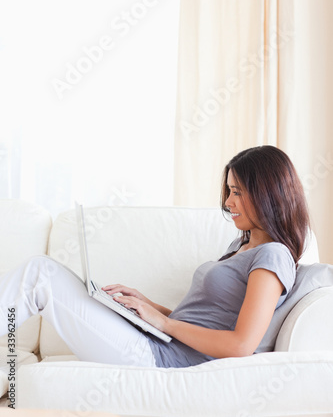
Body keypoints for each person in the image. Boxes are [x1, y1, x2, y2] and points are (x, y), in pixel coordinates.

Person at [0, 145, 310, 368]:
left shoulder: (273, 256)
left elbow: (241, 345)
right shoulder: (240, 247)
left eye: (237, 192)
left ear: (268, 194)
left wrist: (162, 323)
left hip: (160, 358)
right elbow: (207, 318)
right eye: (228, 191)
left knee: (40, 276)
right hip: (158, 342)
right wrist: (148, 306)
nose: (228, 202)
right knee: (46, 274)